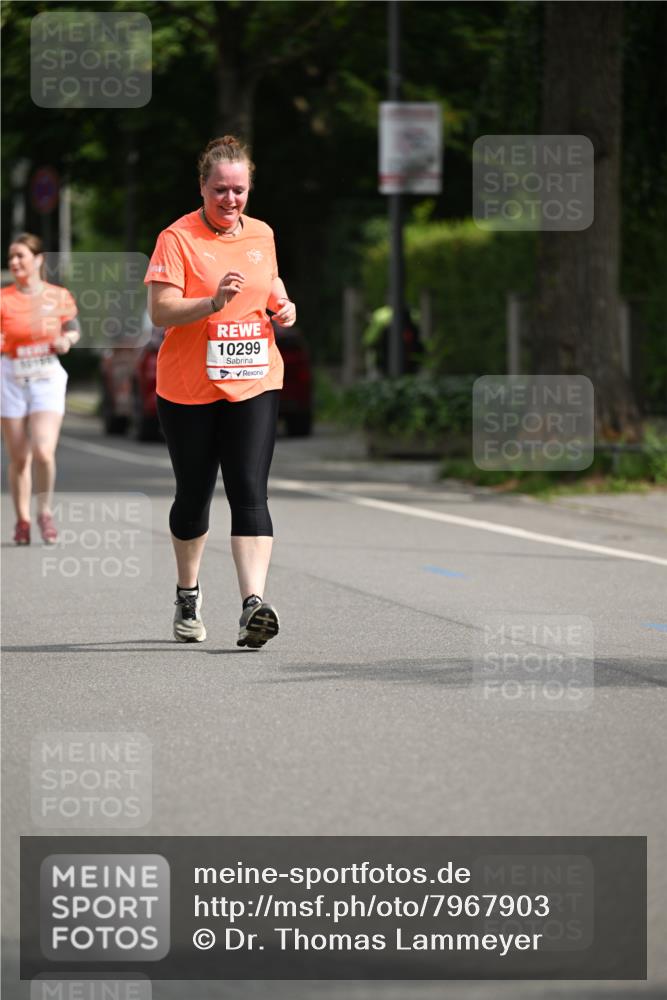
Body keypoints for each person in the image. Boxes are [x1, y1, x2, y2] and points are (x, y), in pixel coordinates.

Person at [145, 135, 296, 648]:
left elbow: (268, 281)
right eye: (220, 190)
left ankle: (253, 604)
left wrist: (283, 303)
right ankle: (188, 594)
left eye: (239, 190)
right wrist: (212, 302)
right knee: (193, 495)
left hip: (254, 378)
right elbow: (161, 311)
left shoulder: (262, 233)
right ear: (203, 187)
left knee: (249, 491)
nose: (230, 200)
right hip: (189, 387)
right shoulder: (176, 238)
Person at [1, 233, 80, 545]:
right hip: (11, 378)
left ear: (38, 259)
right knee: (19, 458)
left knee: (43, 451)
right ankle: (22, 519)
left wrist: (67, 340)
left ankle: (44, 511)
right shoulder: (4, 299)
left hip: (47, 377)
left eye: (21, 255)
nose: (15, 262)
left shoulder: (57, 296)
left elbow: (73, 328)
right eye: (11, 258)